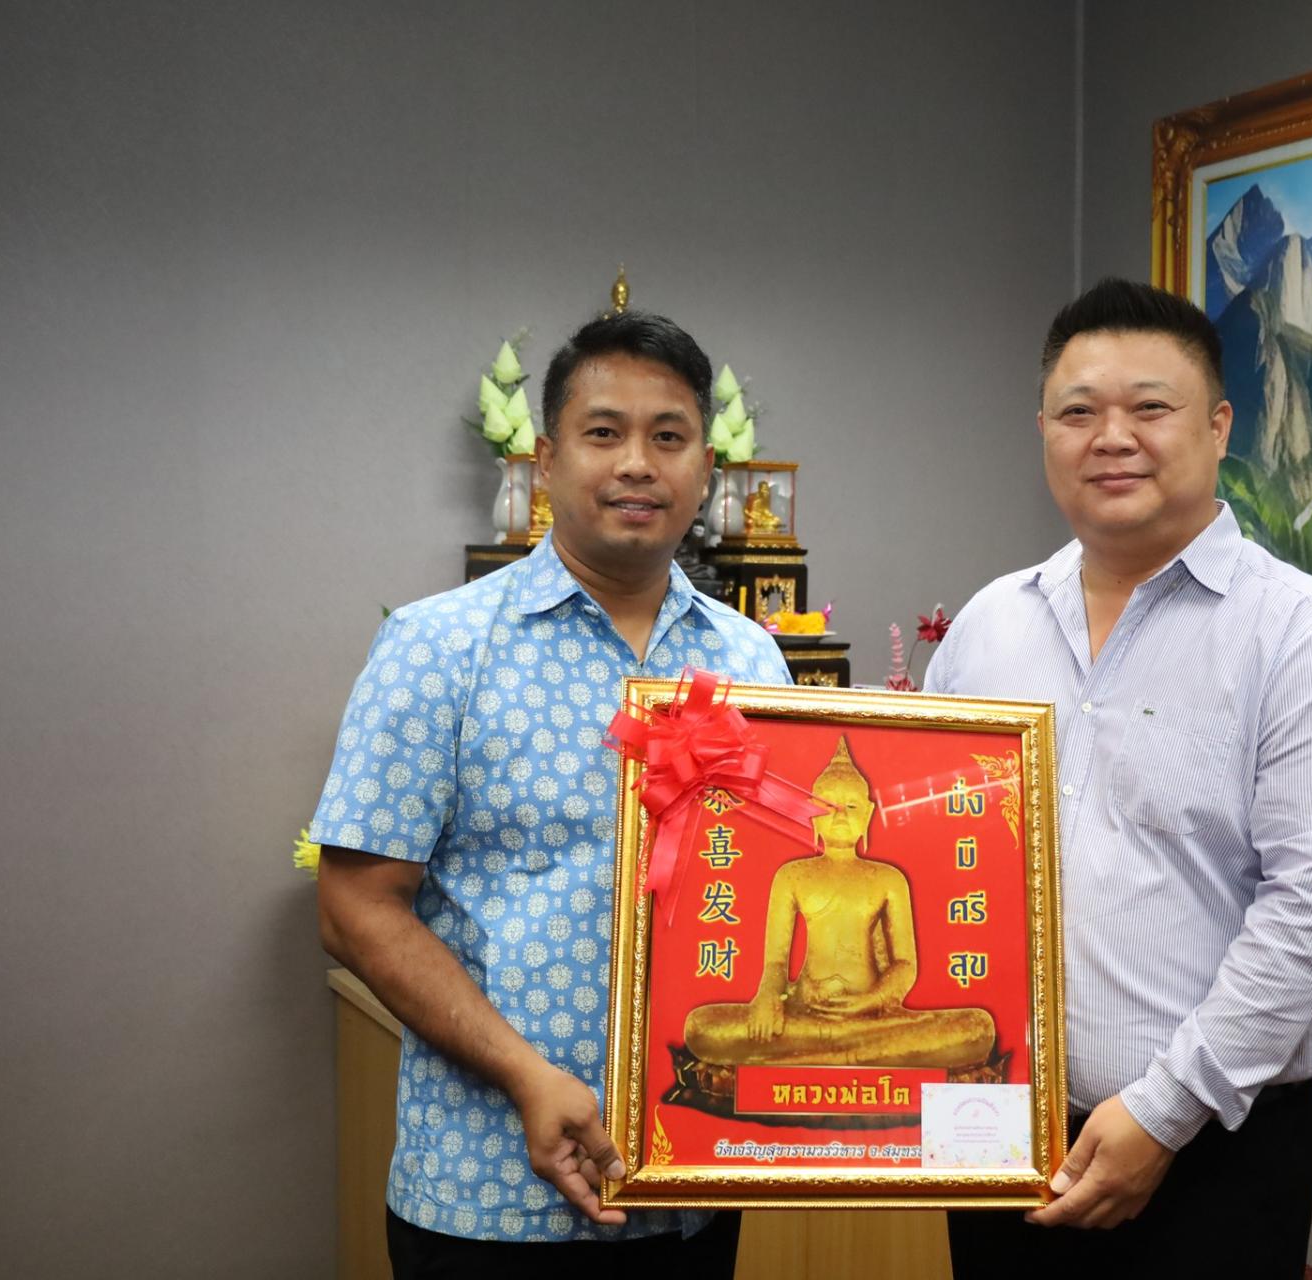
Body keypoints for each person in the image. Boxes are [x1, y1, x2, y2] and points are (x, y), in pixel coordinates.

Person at [927, 278, 1312, 1276]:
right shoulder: (987, 626)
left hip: (1210, 1146)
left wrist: (1164, 1108)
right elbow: (931, 845)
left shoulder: (1304, 637)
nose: (1113, 438)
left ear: (1218, 426)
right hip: (990, 1123)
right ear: (1044, 432)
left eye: (1150, 406)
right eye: (1078, 412)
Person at [313, 311, 789, 1277]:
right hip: (488, 1196)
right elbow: (356, 908)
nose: (637, 464)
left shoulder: (751, 660)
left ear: (706, 468)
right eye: (604, 432)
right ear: (546, 458)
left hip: (694, 1187)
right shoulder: (438, 646)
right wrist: (526, 1075)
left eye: (668, 436)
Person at [681, 735, 996, 1069]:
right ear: (811, 813)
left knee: (976, 1027)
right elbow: (775, 963)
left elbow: (905, 965)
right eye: (828, 806)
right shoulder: (793, 875)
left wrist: (869, 1002)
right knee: (702, 1026)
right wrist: (768, 999)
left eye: (852, 807)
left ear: (869, 814)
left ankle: (815, 1057)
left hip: (871, 1016)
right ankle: (856, 1055)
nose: (841, 815)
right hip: (806, 1011)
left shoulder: (888, 879)